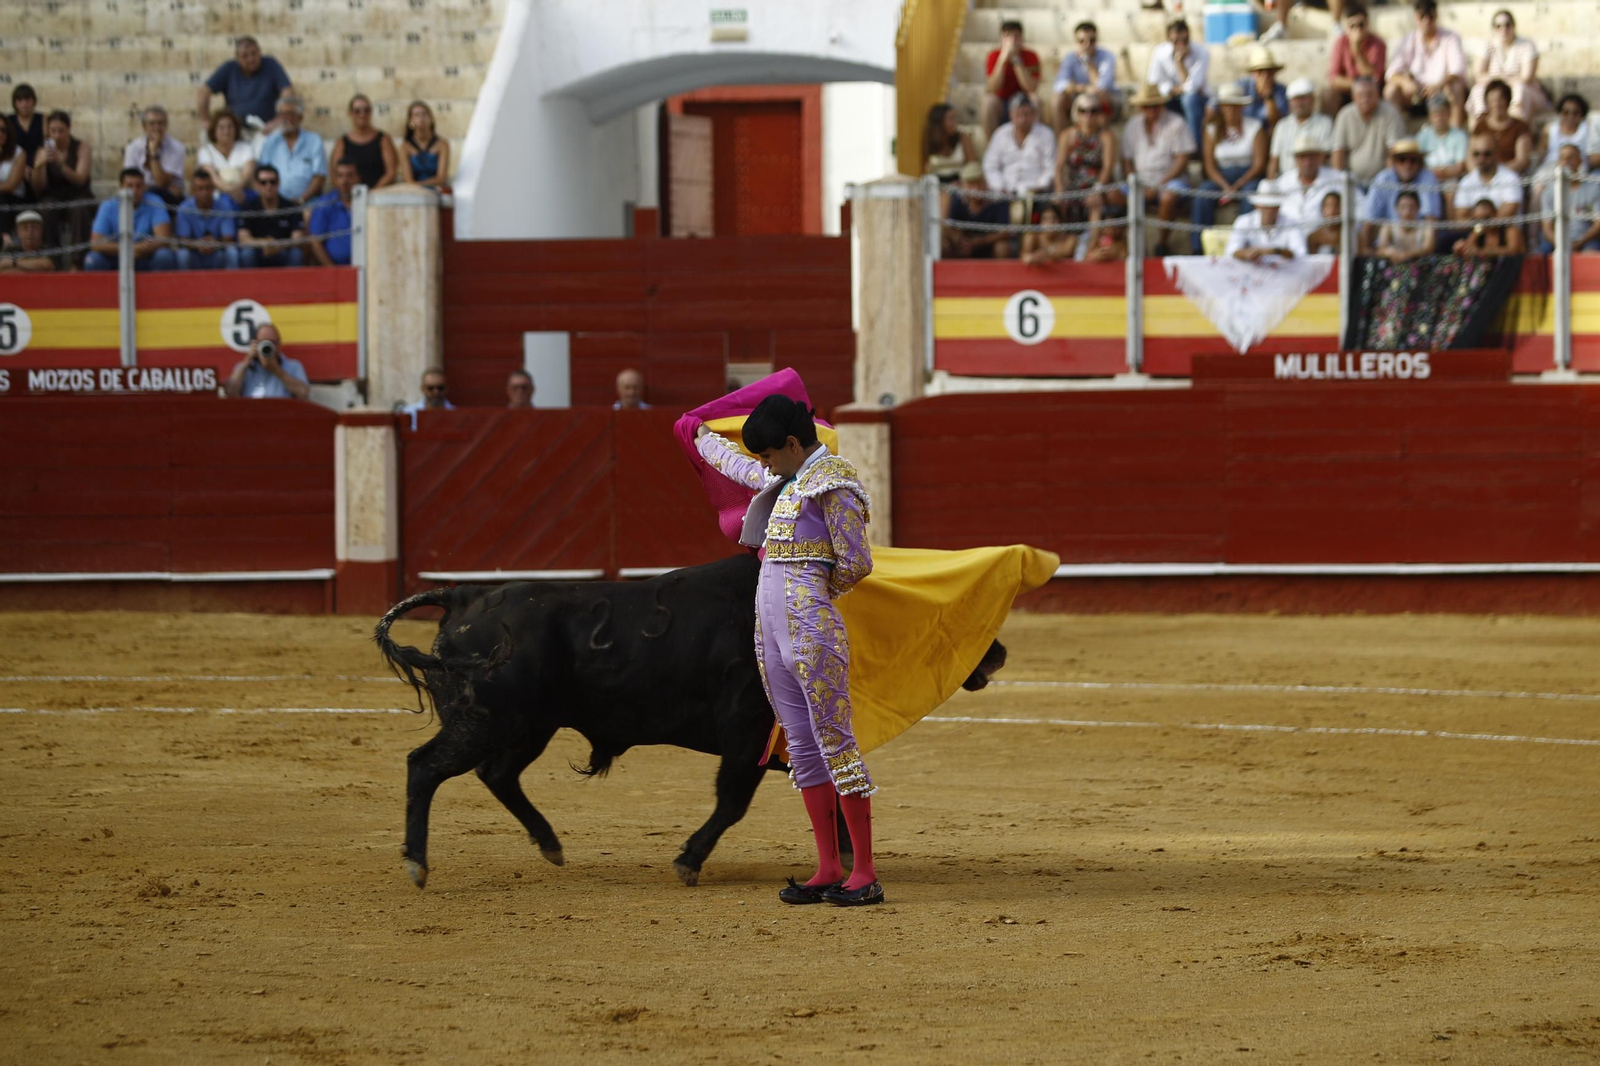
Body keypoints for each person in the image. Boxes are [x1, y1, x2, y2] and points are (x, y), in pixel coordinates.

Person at [693, 396, 882, 907]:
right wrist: (699, 437)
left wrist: (813, 592)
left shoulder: (834, 482)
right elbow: (738, 464)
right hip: (770, 628)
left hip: (810, 628)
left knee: (834, 742)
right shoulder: (787, 479)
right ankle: (827, 867)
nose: (763, 463)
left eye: (770, 453)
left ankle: (862, 872)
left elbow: (857, 562)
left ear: (794, 444)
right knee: (800, 746)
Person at [1122, 84, 1196, 256]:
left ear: (1162, 105)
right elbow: (1126, 160)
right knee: (1112, 196)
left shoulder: (1177, 123)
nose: (1151, 110)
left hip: (1171, 180)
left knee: (1168, 196)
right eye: (1147, 106)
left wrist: (1159, 185)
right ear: (1140, 107)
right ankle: (1123, 245)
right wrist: (1135, 182)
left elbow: (1182, 160)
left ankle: (1161, 244)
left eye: (1155, 105)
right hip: (1142, 181)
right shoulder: (1132, 125)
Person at [1192, 85, 1266, 252]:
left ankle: (1243, 244)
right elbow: (1209, 165)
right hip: (1221, 176)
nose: (1231, 110)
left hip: (1248, 175)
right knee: (1202, 194)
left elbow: (1259, 164)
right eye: (1227, 106)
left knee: (1251, 192)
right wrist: (1225, 186)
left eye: (1234, 105)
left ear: (1241, 107)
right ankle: (1198, 247)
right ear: (1222, 108)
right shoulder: (1211, 129)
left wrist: (1238, 184)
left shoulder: (1255, 127)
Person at [1385, 0, 1466, 129]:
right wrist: (1404, 82)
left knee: (1455, 87)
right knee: (1391, 90)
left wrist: (1438, 85)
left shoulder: (1450, 37)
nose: (1426, 21)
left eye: (1430, 16)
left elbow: (1458, 71)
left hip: (1441, 91)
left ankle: (1455, 134)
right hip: (1415, 94)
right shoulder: (1408, 40)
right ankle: (1397, 135)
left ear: (1436, 16)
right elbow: (1391, 73)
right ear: (1415, 18)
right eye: (1422, 16)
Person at [28, 110, 93, 266]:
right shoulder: (43, 151)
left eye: (61, 131)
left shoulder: (81, 147)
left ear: (68, 129)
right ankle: (52, 261)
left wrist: (61, 165)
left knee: (79, 209)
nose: (56, 135)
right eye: (53, 131)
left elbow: (80, 179)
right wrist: (39, 165)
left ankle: (77, 262)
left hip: (78, 194)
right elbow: (38, 187)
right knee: (46, 208)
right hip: (53, 196)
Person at [83, 168, 176, 272]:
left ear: (144, 187)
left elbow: (163, 239)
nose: (134, 190)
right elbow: (96, 244)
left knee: (164, 256)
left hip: (145, 256)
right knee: (93, 259)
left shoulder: (154, 202)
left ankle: (160, 288)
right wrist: (131, 248)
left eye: (139, 186)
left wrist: (143, 248)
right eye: (130, 186)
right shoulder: (108, 206)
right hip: (117, 257)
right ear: (121, 187)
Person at [1466, 10, 1547, 126]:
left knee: (1520, 90)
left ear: (1513, 26)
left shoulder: (1527, 45)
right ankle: (1481, 129)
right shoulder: (1487, 45)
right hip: (1495, 88)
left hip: (1523, 91)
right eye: (1498, 26)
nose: (1503, 29)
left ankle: (1515, 130)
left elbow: (1526, 77)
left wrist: (1499, 79)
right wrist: (1503, 79)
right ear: (1493, 28)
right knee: (1477, 91)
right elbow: (1479, 75)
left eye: (1507, 25)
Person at [1359, 139, 1442, 252]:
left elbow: (1431, 222)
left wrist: (1416, 252)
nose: (1407, 165)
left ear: (1420, 163)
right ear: (1394, 162)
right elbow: (1369, 221)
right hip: (1388, 245)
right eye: (1402, 160)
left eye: (1413, 160)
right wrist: (1368, 253)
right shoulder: (1383, 179)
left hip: (1419, 246)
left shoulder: (1428, 178)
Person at [198, 36, 293, 134]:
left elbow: (288, 93)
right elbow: (204, 91)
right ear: (237, 57)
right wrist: (205, 120)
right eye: (245, 56)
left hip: (266, 127)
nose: (251, 59)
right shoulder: (229, 68)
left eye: (254, 54)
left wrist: (278, 120)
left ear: (259, 52)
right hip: (235, 131)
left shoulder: (271, 65)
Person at [1054, 92, 1116, 231]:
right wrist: (1059, 187)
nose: (1088, 115)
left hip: (1097, 185)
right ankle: (1065, 244)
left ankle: (1089, 248)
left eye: (1093, 111)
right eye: (1083, 111)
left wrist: (1097, 190)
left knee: (1096, 205)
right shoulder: (1067, 135)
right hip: (1072, 186)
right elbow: (1059, 166)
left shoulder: (1106, 136)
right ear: (1077, 113)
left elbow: (1107, 167)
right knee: (1056, 207)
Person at [1148, 19, 1210, 152]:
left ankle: (1194, 148)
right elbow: (1153, 82)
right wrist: (1173, 89)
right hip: (1171, 98)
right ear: (1169, 39)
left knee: (1189, 100)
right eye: (1177, 41)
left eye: (1185, 40)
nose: (1181, 44)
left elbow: (1193, 88)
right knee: (1157, 102)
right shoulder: (1159, 52)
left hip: (1197, 100)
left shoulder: (1202, 53)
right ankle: (1166, 149)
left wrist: (1179, 63)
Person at [1333, 76, 1405, 184]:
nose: (1365, 99)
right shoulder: (1345, 115)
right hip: (1352, 181)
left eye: (1370, 95)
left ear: (1377, 95)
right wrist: (1339, 181)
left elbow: (1393, 152)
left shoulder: (1390, 113)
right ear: (1353, 97)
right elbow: (1338, 152)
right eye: (1360, 95)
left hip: (1381, 180)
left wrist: (1388, 181)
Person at [982, 94, 1055, 200]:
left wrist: (1039, 187)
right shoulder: (1000, 134)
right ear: (1010, 115)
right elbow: (990, 166)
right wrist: (1000, 187)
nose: (1022, 120)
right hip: (1004, 193)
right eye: (1018, 115)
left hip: (1036, 194)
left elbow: (1051, 168)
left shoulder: (1046, 134)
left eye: (1026, 114)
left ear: (1033, 114)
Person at [255, 95, 325, 203]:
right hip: (275, 203)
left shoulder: (314, 141)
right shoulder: (270, 142)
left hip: (306, 202)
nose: (285, 119)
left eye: (290, 114)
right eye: (282, 115)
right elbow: (262, 174)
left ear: (300, 117)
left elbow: (319, 176)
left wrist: (302, 200)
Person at [982, 20, 1041, 139]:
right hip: (1002, 101)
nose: (1012, 41)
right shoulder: (993, 56)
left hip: (1024, 100)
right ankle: (993, 146)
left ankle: (1034, 143)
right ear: (1001, 38)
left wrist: (1016, 61)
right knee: (989, 102)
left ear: (1022, 38)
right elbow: (992, 88)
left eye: (1016, 36)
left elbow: (1031, 87)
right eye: (1008, 36)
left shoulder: (1031, 56)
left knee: (1035, 100)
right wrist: (1002, 60)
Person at [1324, 4, 1387, 117]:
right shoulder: (1340, 43)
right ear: (1347, 28)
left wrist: (1357, 51)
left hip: (1370, 92)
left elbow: (1374, 78)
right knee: (1329, 94)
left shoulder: (1377, 44)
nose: (1357, 29)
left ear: (1367, 24)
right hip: (1347, 91)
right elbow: (1333, 77)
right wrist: (1356, 85)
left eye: (1361, 25)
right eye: (1353, 26)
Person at [238, 163, 304, 268]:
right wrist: (265, 243)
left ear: (279, 183)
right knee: (247, 254)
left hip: (282, 251)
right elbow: (243, 239)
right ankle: (248, 284)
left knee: (296, 253)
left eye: (272, 182)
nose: (268, 186)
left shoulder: (291, 207)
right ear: (256, 185)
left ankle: (292, 284)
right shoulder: (248, 208)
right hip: (258, 251)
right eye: (263, 182)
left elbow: (298, 239)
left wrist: (277, 245)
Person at [172, 167, 240, 270]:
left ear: (213, 189)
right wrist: (198, 245)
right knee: (183, 255)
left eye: (207, 188)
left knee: (232, 252)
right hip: (195, 255)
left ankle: (233, 285)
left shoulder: (224, 206)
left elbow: (229, 239)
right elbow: (182, 241)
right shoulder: (184, 208)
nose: (204, 192)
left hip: (217, 254)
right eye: (200, 188)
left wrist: (214, 244)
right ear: (193, 189)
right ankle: (184, 285)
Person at [1538, 145, 1600, 254]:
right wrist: (1561, 245)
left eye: (1571, 157)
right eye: (1562, 158)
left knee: (1591, 253)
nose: (1566, 161)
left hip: (1587, 241)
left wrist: (1579, 243)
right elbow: (1547, 228)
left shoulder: (1593, 188)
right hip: (1556, 241)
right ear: (1558, 162)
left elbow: (1598, 225)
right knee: (1536, 257)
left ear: (1580, 161)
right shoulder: (1549, 191)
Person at [1267, 79, 1332, 182]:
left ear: (1312, 99)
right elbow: (1274, 160)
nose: (1299, 103)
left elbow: (1323, 158)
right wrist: (1270, 183)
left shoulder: (1325, 123)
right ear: (1289, 102)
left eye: (1303, 98)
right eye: (1295, 99)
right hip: (1285, 182)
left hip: (1316, 181)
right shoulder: (1282, 126)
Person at [944, 162, 1013, 259]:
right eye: (970, 184)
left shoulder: (998, 199)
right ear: (963, 185)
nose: (975, 189)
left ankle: (1002, 274)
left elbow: (1005, 232)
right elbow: (950, 227)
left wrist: (978, 242)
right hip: (965, 246)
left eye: (978, 183)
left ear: (985, 182)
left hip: (989, 246)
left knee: (1002, 248)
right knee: (945, 244)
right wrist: (959, 240)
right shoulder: (958, 199)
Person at [1534, 95, 1596, 203]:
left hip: (1578, 166)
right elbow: (1541, 152)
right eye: (1565, 112)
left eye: (1575, 113)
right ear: (1560, 113)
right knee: (1538, 188)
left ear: (1582, 114)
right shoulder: (1550, 129)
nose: (1570, 116)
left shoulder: (1588, 129)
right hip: (1552, 166)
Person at [223, 323, 309, 399]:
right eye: (263, 342)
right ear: (255, 343)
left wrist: (276, 369)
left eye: (271, 343)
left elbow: (303, 393)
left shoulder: (293, 366)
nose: (267, 347)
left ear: (278, 344)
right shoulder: (245, 368)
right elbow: (230, 393)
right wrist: (247, 361)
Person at [1053, 22, 1118, 122]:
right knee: (1057, 100)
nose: (1087, 45)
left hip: (1101, 100)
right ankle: (1062, 136)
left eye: (1091, 41)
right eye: (1082, 41)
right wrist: (1084, 88)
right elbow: (1060, 85)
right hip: (1078, 96)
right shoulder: (1070, 57)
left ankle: (1101, 134)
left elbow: (1102, 87)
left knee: (1101, 96)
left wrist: (1088, 63)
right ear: (1075, 41)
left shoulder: (1107, 56)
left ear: (1097, 40)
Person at [1274, 133, 1342, 228]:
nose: (1308, 162)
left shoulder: (1337, 179)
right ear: (1296, 159)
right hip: (1288, 237)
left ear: (1319, 157)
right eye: (1302, 157)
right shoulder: (1283, 182)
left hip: (1324, 239)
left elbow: (1359, 207)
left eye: (1311, 157)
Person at [122, 105, 185, 206]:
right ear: (144, 126)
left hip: (166, 197)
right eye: (152, 124)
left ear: (166, 125)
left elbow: (161, 183)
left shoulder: (177, 148)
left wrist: (153, 152)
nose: (157, 128)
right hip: (139, 193)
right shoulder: (133, 148)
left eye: (161, 123)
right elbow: (130, 179)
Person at [331, 94, 396, 191]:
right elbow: (334, 173)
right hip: (350, 196)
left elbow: (391, 172)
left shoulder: (383, 139)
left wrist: (373, 192)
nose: (362, 114)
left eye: (366, 110)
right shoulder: (342, 142)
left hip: (377, 193)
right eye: (357, 111)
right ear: (350, 113)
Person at [1453, 133, 1524, 220]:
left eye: (1487, 154)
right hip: (1474, 230)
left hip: (1503, 230)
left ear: (1496, 154)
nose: (1481, 159)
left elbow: (1509, 212)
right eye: (1476, 154)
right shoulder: (1466, 181)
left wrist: (1481, 219)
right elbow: (1461, 217)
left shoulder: (1510, 178)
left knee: (1512, 232)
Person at [1225, 191, 1306, 262]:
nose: (1269, 211)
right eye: (1265, 207)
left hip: (1284, 272)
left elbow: (1300, 253)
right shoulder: (1243, 221)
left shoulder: (1292, 223)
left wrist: (1275, 251)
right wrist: (1246, 254)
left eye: (1273, 207)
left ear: (1278, 208)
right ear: (1258, 206)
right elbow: (1231, 251)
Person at [1473, 79, 1533, 174]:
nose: (1496, 104)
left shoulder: (1520, 127)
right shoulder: (1481, 127)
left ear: (1507, 101)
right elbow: (1471, 156)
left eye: (1500, 99)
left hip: (1511, 176)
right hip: (1483, 175)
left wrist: (1498, 173)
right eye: (1492, 100)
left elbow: (1521, 160)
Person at [198, 109, 255, 203]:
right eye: (221, 127)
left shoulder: (246, 148)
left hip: (243, 192)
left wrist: (237, 189)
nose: (226, 131)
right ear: (214, 131)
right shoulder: (206, 151)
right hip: (217, 196)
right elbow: (213, 177)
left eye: (230, 127)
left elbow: (247, 175)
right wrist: (230, 191)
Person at [308, 159, 358, 266]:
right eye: (340, 176)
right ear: (335, 179)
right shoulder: (325, 204)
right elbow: (315, 241)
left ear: (358, 178)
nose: (345, 181)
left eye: (349, 175)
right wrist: (333, 271)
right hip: (334, 269)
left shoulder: (368, 204)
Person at [397, 101, 450, 189]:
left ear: (431, 118)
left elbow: (441, 177)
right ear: (411, 120)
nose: (421, 118)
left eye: (424, 114)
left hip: (436, 189)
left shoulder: (442, 144)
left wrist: (421, 185)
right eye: (416, 115)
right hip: (415, 192)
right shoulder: (405, 147)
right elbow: (408, 179)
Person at [1417, 92, 1469, 181]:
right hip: (1427, 178)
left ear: (1449, 114)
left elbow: (1460, 166)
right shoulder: (1422, 136)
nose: (1439, 117)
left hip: (1452, 178)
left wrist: (1442, 173)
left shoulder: (1460, 136)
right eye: (1435, 114)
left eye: (1442, 113)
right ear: (1429, 116)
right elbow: (1418, 164)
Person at [922, 103, 978, 183]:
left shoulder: (963, 137)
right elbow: (925, 169)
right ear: (939, 122)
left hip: (960, 184)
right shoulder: (930, 141)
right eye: (951, 119)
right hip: (937, 185)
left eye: (955, 118)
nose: (955, 122)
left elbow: (973, 167)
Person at [1374, 190, 1437, 261]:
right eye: (1403, 207)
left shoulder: (1427, 227)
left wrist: (1406, 255)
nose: (1407, 212)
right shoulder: (1388, 227)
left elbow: (1428, 249)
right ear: (1396, 208)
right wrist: (1387, 252)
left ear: (1418, 208)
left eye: (1411, 207)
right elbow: (1380, 250)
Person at [1453, 197, 1524, 257]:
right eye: (1477, 220)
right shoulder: (1477, 231)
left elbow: (1512, 251)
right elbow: (1469, 249)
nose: (1483, 223)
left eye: (1486, 218)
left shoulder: (1509, 229)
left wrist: (1481, 252)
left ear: (1495, 214)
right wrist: (1461, 248)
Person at [1237, 46, 1286, 127]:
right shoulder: (1242, 86)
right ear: (1253, 73)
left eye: (1269, 71)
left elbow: (1277, 123)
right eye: (1260, 71)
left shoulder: (1281, 91)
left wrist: (1268, 96)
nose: (1265, 75)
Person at [0, 116, 28, 234]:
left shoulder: (19, 153)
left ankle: (5, 235)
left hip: (13, 199)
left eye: (3, 130)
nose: (0, 134)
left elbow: (12, 184)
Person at [8, 84, 44, 161]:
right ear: (15, 103)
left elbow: (46, 144)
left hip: (38, 163)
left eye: (27, 100)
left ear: (34, 101)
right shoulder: (8, 121)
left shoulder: (42, 119)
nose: (24, 104)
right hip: (14, 162)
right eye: (20, 100)